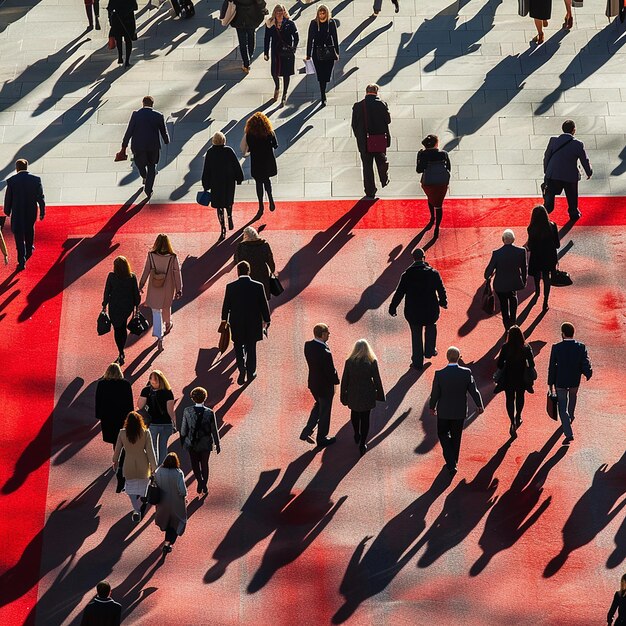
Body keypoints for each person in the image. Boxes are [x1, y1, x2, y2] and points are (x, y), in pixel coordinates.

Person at [389, 248, 447, 370]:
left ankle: (417, 362)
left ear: (413, 258)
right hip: (430, 310)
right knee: (431, 326)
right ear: (424, 257)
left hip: (413, 311)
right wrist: (443, 302)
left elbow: (399, 293)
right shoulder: (433, 273)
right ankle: (430, 350)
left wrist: (393, 307)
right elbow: (441, 289)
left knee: (416, 336)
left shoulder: (407, 275)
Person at [429, 346, 484, 476]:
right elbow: (473, 390)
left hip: (443, 411)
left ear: (447, 357)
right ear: (459, 357)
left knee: (443, 434)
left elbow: (435, 393)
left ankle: (451, 462)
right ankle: (453, 460)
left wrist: (432, 407)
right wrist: (479, 404)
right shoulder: (466, 373)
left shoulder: (439, 374)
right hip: (459, 411)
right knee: (456, 436)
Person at [221, 260, 271, 385]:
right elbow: (263, 305)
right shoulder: (258, 286)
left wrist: (224, 320)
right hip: (253, 322)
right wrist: (267, 319)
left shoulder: (230, 287)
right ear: (249, 271)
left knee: (238, 347)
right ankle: (250, 372)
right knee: (251, 347)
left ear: (238, 271)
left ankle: (241, 369)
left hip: (236, 322)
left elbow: (226, 305)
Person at [547, 322, 592, 444]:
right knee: (573, 398)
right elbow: (585, 362)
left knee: (562, 407)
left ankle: (568, 433)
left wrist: (550, 383)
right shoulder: (580, 347)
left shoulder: (556, 348)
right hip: (574, 381)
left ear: (562, 333)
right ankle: (571, 416)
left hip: (560, 382)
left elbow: (551, 367)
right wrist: (588, 373)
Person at [340, 339, 385, 456]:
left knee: (354, 414)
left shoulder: (349, 362)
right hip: (367, 394)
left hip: (353, 393)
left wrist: (343, 396)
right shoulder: (372, 361)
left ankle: (356, 433)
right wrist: (380, 394)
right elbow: (377, 380)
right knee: (365, 419)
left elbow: (345, 380)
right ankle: (363, 443)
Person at [119, 96, 170, 198]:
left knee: (140, 165)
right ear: (152, 104)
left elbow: (129, 131)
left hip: (138, 147)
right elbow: (163, 131)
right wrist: (166, 140)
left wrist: (124, 146)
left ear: (143, 103)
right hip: (153, 146)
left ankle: (144, 176)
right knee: (152, 166)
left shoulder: (136, 115)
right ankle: (148, 189)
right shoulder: (158, 115)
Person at [138, 234, 182, 351]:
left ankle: (159, 336)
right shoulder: (173, 257)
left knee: (156, 312)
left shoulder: (151, 255)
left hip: (154, 286)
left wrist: (141, 284)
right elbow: (177, 273)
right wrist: (179, 289)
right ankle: (168, 323)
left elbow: (146, 270)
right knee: (166, 307)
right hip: (168, 286)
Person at [542, 119, 592, 221]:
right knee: (572, 195)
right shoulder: (578, 144)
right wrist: (589, 172)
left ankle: (544, 211)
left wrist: (547, 171)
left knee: (550, 195)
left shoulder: (553, 140)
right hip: (569, 176)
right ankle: (573, 213)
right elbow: (584, 160)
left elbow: (546, 156)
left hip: (553, 174)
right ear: (574, 130)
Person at [113, 411, 158, 521]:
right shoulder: (145, 433)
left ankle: (136, 509)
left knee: (131, 489)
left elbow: (117, 451)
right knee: (143, 487)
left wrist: (115, 462)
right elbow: (150, 452)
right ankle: (142, 501)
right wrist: (154, 467)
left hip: (128, 465)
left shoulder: (122, 433)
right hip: (143, 464)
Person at [95, 363, 133, 492]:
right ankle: (121, 465)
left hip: (108, 418)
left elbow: (98, 400)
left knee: (115, 441)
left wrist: (99, 415)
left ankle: (117, 463)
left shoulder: (102, 384)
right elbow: (129, 402)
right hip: (122, 418)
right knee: (123, 441)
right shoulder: (125, 384)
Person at [3, 158, 45, 271]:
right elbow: (40, 198)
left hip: (17, 213)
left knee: (18, 236)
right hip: (31, 212)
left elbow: (8, 198)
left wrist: (7, 211)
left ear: (17, 168)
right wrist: (42, 211)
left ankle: (21, 261)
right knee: (29, 229)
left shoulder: (12, 181)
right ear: (27, 167)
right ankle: (29, 249)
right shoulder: (36, 180)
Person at [301, 323, 339, 447]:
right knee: (325, 412)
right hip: (325, 387)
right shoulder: (325, 352)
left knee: (319, 406)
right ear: (322, 334)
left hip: (313, 384)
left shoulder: (308, 345)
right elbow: (330, 371)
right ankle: (321, 438)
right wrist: (336, 380)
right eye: (327, 332)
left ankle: (307, 431)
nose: (329, 334)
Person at [201, 131, 244, 241]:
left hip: (216, 183)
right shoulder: (228, 151)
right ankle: (229, 216)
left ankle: (223, 227)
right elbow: (236, 165)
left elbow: (206, 170)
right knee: (228, 201)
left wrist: (206, 184)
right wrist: (239, 178)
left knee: (219, 205)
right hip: (229, 182)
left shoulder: (210, 152)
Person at [351, 84, 391, 199]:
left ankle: (370, 191)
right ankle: (384, 179)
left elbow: (354, 124)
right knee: (381, 161)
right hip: (379, 139)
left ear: (366, 91)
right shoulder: (382, 104)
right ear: (376, 92)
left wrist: (359, 138)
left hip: (364, 141)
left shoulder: (358, 106)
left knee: (367, 166)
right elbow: (387, 121)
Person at [494, 325, 536, 438]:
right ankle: (518, 416)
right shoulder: (526, 347)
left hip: (508, 377)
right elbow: (532, 364)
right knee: (520, 397)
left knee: (509, 399)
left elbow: (499, 364)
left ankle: (512, 421)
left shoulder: (506, 347)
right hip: (521, 377)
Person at [484, 229, 528, 331]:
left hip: (500, 285)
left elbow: (488, 272)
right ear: (513, 239)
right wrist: (524, 281)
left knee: (504, 306)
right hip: (514, 283)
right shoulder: (521, 251)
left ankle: (506, 326)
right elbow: (524, 268)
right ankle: (513, 322)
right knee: (513, 298)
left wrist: (488, 276)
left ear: (503, 239)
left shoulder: (497, 253)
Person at [180, 387, 221, 495]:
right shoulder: (210, 412)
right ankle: (204, 485)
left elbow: (184, 428)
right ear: (205, 398)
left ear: (192, 398)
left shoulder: (187, 411)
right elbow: (214, 429)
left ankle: (200, 482)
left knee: (195, 464)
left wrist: (183, 442)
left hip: (192, 442)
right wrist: (217, 443)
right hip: (206, 443)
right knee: (204, 464)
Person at [101, 255, 140, 365]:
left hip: (114, 307)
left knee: (118, 329)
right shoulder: (132, 277)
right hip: (127, 307)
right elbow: (135, 293)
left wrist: (104, 304)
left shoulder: (112, 276)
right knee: (122, 326)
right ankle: (122, 348)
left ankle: (121, 351)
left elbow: (107, 291)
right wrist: (137, 306)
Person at [137, 369, 176, 465]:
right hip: (166, 423)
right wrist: (174, 422)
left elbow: (140, 406)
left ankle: (153, 469)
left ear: (150, 380)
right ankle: (161, 469)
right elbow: (170, 410)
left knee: (152, 447)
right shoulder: (168, 392)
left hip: (152, 423)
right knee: (163, 448)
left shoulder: (146, 390)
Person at [243, 112, 278, 215]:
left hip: (256, 161)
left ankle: (261, 205)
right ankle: (270, 198)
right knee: (266, 180)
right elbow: (275, 145)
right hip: (267, 160)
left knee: (258, 182)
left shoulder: (250, 135)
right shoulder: (269, 132)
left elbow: (248, 148)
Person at [264, 4, 299, 106]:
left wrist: (293, 48)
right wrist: (266, 53)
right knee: (274, 72)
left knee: (286, 73)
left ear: (284, 12)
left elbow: (296, 37)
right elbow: (267, 39)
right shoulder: (270, 24)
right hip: (275, 51)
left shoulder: (290, 23)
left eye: (281, 11)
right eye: (277, 11)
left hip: (287, 52)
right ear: (274, 13)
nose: (279, 13)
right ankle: (277, 87)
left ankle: (284, 94)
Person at [526, 205, 560, 310]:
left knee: (537, 274)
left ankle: (537, 291)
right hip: (549, 256)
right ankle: (545, 301)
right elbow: (557, 244)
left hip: (537, 256)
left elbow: (530, 246)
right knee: (546, 276)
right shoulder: (552, 226)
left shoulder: (531, 228)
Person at [416, 134, 451, 234]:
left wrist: (418, 157)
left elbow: (419, 170)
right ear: (436, 143)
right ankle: (437, 227)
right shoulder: (444, 154)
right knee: (439, 204)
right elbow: (448, 167)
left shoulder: (423, 155)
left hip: (428, 182)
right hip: (442, 182)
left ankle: (432, 217)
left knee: (430, 197)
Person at [305, 5, 339, 106]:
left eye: (324, 13)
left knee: (327, 74)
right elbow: (310, 39)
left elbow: (335, 38)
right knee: (321, 76)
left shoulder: (331, 23)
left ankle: (323, 90)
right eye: (320, 13)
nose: (322, 15)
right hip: (317, 52)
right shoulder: (314, 23)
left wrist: (337, 52)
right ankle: (323, 95)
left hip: (329, 52)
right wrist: (308, 54)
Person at [154, 452, 187, 554]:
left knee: (167, 523)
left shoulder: (158, 471)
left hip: (162, 502)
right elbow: (183, 490)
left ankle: (167, 543)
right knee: (176, 524)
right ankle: (168, 543)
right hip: (176, 503)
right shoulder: (178, 473)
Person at [234, 226, 276, 300]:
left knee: (249, 298)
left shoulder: (241, 246)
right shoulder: (264, 245)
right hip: (262, 274)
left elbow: (237, 261)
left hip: (248, 274)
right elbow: (270, 260)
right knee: (262, 297)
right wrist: (272, 271)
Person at [225, 0, 267, 74]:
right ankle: (249, 56)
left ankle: (246, 63)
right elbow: (261, 2)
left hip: (239, 18)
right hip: (252, 18)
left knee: (242, 42)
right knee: (251, 37)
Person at [107, 0, 137, 67]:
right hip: (128, 19)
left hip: (117, 19)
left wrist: (110, 20)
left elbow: (110, 8)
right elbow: (135, 7)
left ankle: (120, 57)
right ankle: (127, 61)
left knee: (118, 39)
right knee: (128, 40)